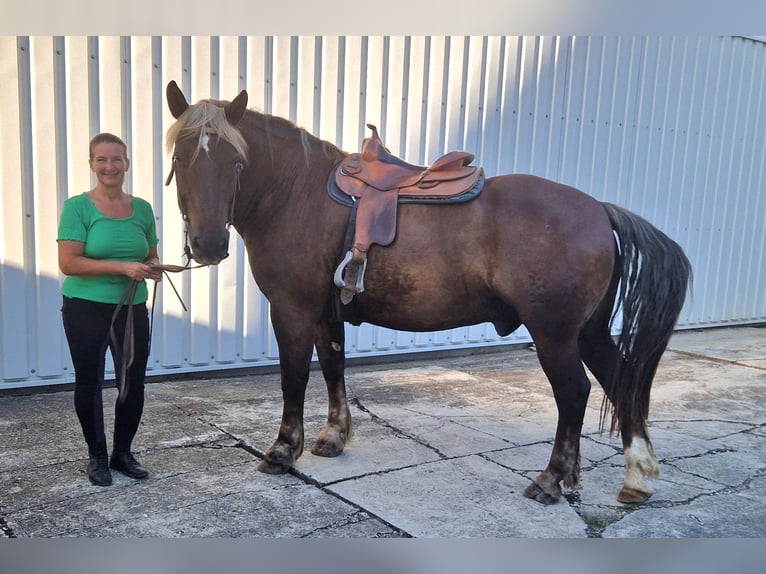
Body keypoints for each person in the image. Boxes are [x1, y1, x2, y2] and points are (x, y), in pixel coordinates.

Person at [58, 133, 162, 486]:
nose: (109, 166)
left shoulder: (143, 208)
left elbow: (149, 253)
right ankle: (97, 457)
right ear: (91, 164)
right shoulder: (78, 207)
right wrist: (123, 268)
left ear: (127, 163)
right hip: (84, 307)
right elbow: (69, 262)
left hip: (132, 307)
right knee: (90, 382)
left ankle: (123, 454)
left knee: (132, 382)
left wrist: (154, 268)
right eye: (101, 160)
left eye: (116, 159)